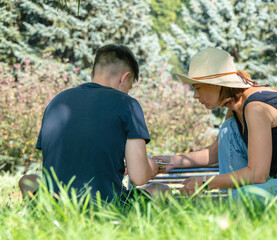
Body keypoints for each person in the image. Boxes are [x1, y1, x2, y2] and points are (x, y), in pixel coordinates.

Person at [153, 47, 277, 202]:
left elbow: (258, 174)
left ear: (217, 84)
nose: (195, 95)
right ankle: (238, 203)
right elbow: (215, 152)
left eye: (198, 87)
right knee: (228, 129)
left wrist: (204, 182)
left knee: (248, 196)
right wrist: (171, 161)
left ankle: (238, 203)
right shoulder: (236, 107)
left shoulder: (256, 108)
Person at [19, 44, 170, 204]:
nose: (128, 92)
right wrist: (150, 167)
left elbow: (64, 160)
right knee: (162, 190)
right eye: (129, 87)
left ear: (92, 74)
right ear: (124, 78)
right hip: (105, 204)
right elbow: (139, 177)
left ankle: (41, 206)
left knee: (28, 180)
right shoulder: (128, 104)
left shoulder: (56, 102)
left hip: (56, 203)